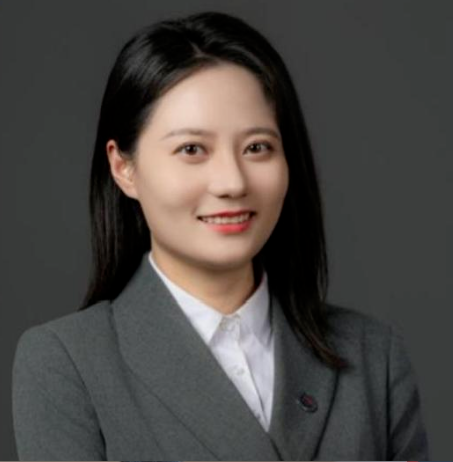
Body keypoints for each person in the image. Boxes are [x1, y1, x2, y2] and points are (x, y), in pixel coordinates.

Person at [12, 10, 429, 461]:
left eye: (257, 147)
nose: (232, 181)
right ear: (124, 167)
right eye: (192, 149)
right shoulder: (68, 363)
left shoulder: (372, 355)